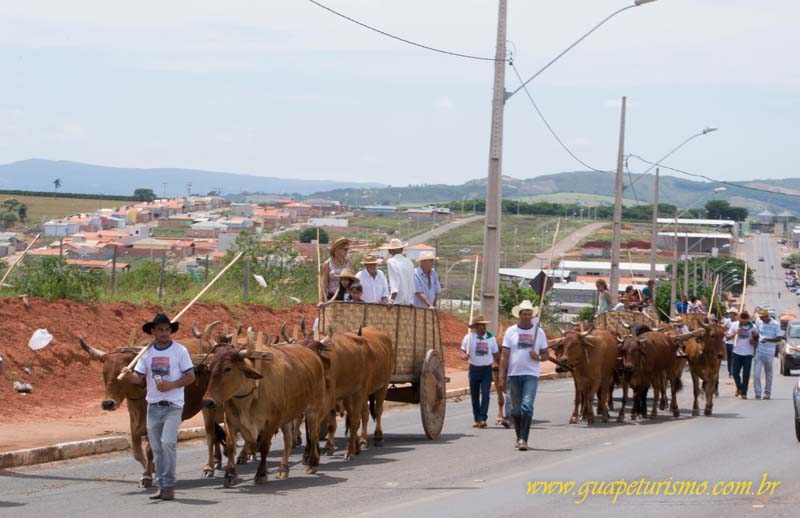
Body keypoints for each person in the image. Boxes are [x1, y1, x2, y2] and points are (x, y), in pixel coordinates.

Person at [120, 313, 195, 501]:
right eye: (160, 330)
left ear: (171, 331)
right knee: (157, 448)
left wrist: (172, 385)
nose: (164, 333)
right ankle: (162, 485)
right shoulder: (147, 353)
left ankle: (168, 485)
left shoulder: (180, 351)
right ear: (153, 331)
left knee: (168, 443)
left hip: (173, 406)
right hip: (153, 407)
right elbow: (139, 379)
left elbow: (191, 377)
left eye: (167, 330)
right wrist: (129, 376)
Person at [497, 300, 549, 451]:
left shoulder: (539, 332)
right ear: (519, 315)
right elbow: (504, 357)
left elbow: (546, 355)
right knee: (515, 409)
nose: (527, 317)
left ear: (532, 315)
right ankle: (519, 436)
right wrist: (501, 377)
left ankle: (523, 439)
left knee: (527, 406)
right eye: (524, 314)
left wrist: (538, 356)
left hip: (530, 374)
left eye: (529, 314)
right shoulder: (511, 332)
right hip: (513, 374)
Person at [459, 315, 500, 429]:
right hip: (474, 369)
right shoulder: (469, 338)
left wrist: (501, 365)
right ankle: (476, 418)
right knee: (475, 396)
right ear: (476, 326)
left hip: (486, 370)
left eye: (484, 324)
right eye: (481, 324)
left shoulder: (491, 338)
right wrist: (464, 356)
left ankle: (482, 418)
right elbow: (462, 351)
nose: (484, 326)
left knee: (486, 394)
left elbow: (496, 354)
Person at [728, 310, 758, 399]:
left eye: (746, 319)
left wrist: (754, 340)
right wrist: (735, 333)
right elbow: (727, 337)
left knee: (746, 374)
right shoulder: (735, 325)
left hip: (748, 353)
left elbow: (756, 340)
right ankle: (739, 387)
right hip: (737, 351)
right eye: (743, 319)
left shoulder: (753, 327)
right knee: (734, 372)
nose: (744, 321)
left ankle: (744, 393)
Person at [753, 309, 780, 400]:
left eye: (762, 317)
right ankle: (757, 392)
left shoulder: (775, 324)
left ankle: (767, 393)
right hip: (759, 351)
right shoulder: (759, 322)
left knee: (768, 374)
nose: (761, 319)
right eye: (760, 317)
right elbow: (756, 332)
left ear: (767, 316)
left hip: (769, 352)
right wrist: (755, 337)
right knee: (756, 373)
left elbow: (779, 338)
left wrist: (767, 340)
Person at [384, 238, 415, 306]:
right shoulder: (409, 262)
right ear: (401, 250)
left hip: (397, 301)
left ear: (390, 251)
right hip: (409, 301)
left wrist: (392, 300)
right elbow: (412, 282)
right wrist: (411, 301)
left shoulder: (391, 261)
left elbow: (394, 281)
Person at [321, 237, 353, 302]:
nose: (347, 251)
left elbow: (353, 279)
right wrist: (322, 299)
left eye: (347, 249)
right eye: (345, 249)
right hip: (332, 297)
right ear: (338, 249)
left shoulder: (348, 262)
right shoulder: (327, 263)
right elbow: (324, 283)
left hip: (346, 297)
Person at [723, 308, 739, 378]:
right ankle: (730, 371)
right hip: (728, 342)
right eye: (730, 313)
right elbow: (723, 328)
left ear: (734, 314)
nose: (730, 315)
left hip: (734, 342)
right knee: (729, 358)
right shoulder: (728, 321)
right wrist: (725, 331)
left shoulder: (738, 323)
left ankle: (733, 371)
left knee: (734, 358)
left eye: (731, 313)